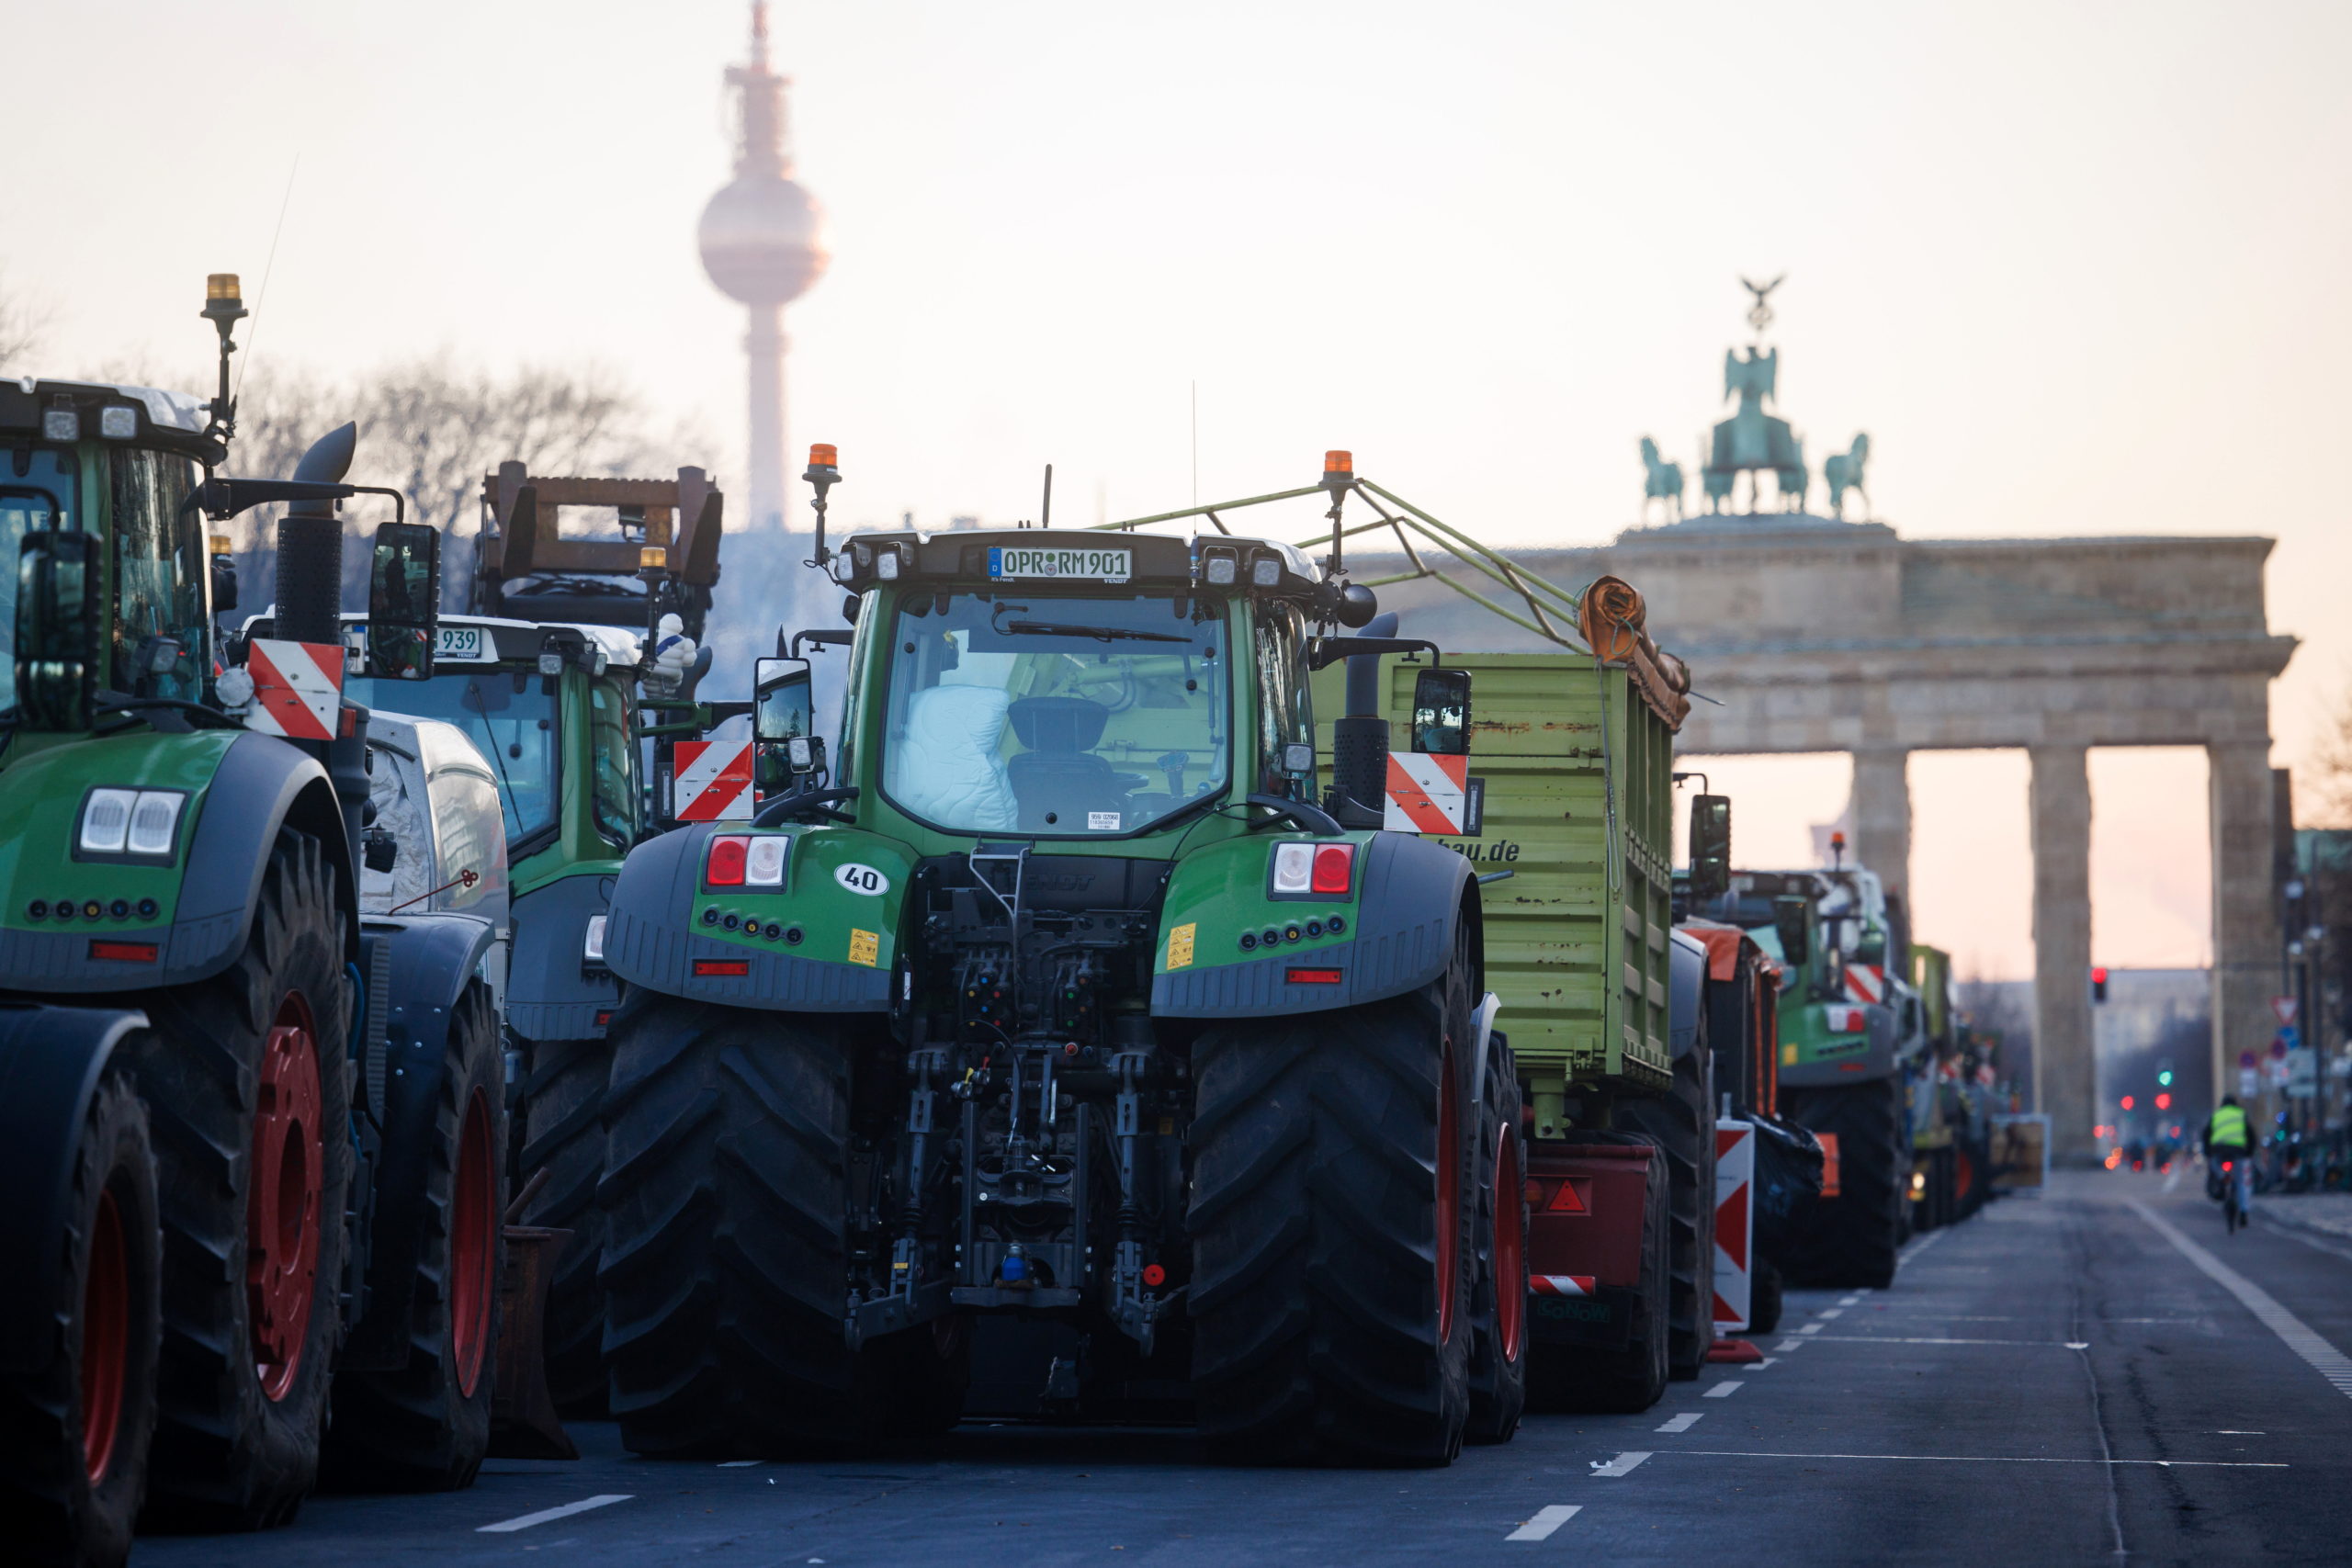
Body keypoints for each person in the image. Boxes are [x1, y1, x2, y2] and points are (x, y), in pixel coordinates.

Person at [2202, 1095, 2255, 1231]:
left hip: (2218, 1151)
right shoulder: (2240, 1114)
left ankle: (2221, 1178)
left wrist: (2207, 1152)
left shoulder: (2216, 1115)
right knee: (2241, 1182)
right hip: (2237, 1152)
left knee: (2215, 1167)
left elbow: (2206, 1134)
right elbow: (2251, 1135)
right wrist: (2249, 1152)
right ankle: (2243, 1212)